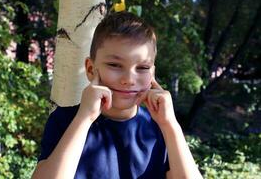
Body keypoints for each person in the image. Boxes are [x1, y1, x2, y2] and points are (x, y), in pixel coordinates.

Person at [32, 12, 203, 179]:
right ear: (91, 69)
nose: (128, 80)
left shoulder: (160, 129)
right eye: (114, 65)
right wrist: (84, 119)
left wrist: (170, 125)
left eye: (142, 68)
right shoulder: (65, 120)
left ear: (152, 75)